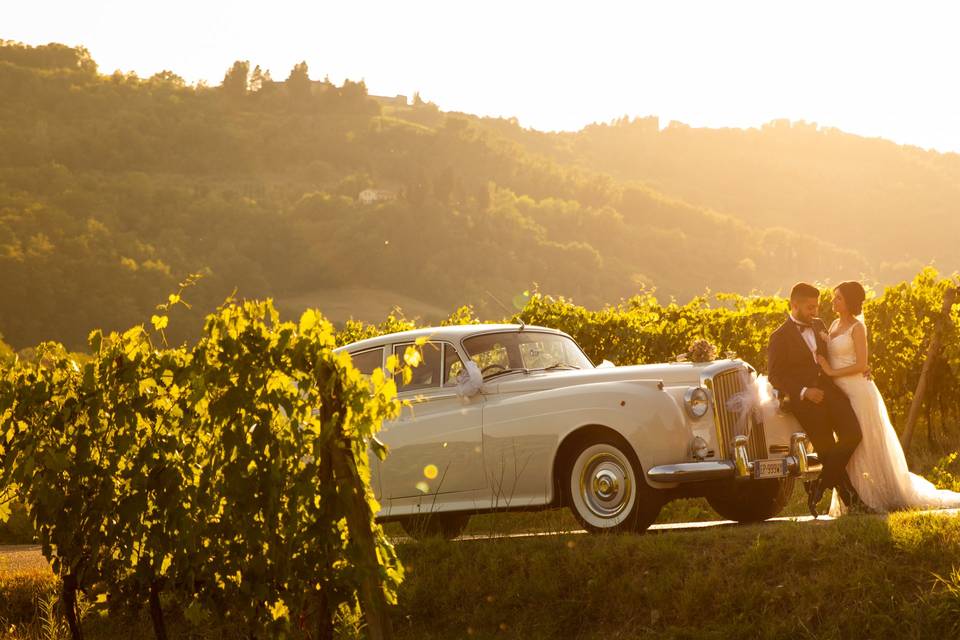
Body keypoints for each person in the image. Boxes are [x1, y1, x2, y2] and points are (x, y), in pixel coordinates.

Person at [816, 281, 960, 515]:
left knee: (865, 442)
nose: (833, 301)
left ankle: (875, 494)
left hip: (858, 392)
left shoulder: (857, 328)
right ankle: (853, 497)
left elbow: (861, 364)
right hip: (839, 393)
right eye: (834, 297)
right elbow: (832, 350)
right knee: (847, 442)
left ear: (849, 301)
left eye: (838, 298)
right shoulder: (832, 325)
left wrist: (831, 372)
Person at [767, 282, 863, 517]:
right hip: (807, 402)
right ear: (794, 305)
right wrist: (803, 391)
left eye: (817, 307)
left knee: (854, 433)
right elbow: (775, 376)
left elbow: (841, 353)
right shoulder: (779, 337)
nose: (815, 312)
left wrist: (863, 368)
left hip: (831, 391)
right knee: (827, 450)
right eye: (810, 307)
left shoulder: (819, 325)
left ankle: (820, 485)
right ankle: (855, 503)